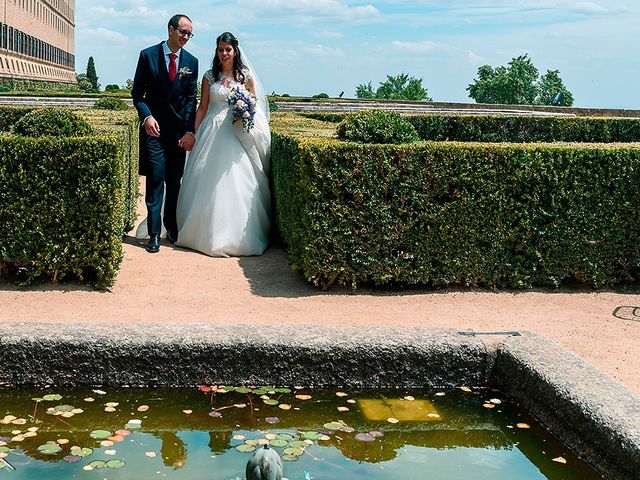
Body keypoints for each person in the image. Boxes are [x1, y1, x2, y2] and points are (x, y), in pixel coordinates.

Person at [175, 32, 271, 257]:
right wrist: (193, 132)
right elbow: (203, 107)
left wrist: (244, 113)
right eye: (220, 49)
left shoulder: (245, 76)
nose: (224, 53)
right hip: (212, 128)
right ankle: (202, 233)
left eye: (228, 49)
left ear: (235, 51)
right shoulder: (209, 76)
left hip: (236, 131)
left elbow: (254, 105)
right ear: (216, 51)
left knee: (241, 181)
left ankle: (239, 235)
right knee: (204, 179)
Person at [132, 14, 199, 253]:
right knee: (155, 180)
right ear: (171, 29)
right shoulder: (147, 55)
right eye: (183, 32)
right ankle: (153, 234)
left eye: (189, 34)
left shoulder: (192, 61)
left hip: (179, 135)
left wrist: (190, 131)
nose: (186, 38)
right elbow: (137, 95)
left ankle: (171, 227)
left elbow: (191, 100)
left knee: (174, 182)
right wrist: (147, 117)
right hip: (154, 132)